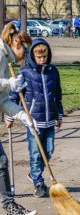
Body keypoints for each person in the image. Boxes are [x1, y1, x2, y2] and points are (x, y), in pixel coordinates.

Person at [5, 38, 63, 198]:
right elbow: (14, 96)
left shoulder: (53, 71)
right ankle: (38, 183)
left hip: (49, 119)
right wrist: (9, 116)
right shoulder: (24, 73)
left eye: (44, 57)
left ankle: (33, 172)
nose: (42, 60)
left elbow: (57, 94)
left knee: (49, 150)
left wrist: (59, 113)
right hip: (33, 121)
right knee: (35, 153)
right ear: (32, 56)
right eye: (39, 58)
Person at [0, 23, 37, 215]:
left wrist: (23, 116)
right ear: (16, 43)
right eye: (26, 48)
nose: (26, 54)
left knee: (1, 162)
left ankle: (9, 206)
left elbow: (3, 101)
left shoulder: (5, 59)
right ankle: (10, 206)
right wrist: (8, 83)